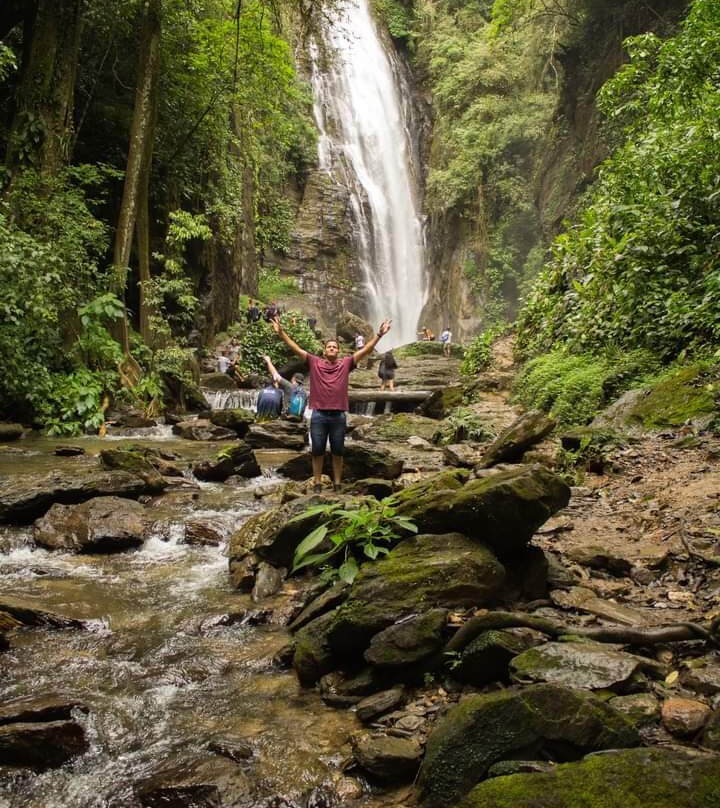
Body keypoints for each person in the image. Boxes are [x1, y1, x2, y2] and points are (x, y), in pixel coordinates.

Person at [270, 314, 391, 492]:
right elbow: (295, 348)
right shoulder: (314, 362)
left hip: (338, 415)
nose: (332, 348)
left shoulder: (346, 364)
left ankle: (337, 483)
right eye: (329, 347)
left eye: (335, 347)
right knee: (317, 450)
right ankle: (317, 482)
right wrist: (281, 333)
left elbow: (365, 350)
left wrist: (380, 335)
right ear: (324, 351)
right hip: (318, 413)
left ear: (338, 351)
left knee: (338, 451)